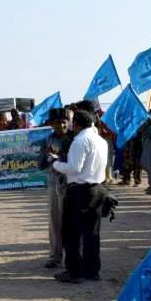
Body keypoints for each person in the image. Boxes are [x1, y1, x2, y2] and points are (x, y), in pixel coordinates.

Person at [51, 110, 109, 283]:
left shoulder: (80, 140)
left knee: (72, 233)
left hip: (79, 191)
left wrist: (56, 163)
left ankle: (74, 272)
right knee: (92, 233)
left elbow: (74, 168)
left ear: (76, 124)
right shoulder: (100, 140)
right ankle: (92, 271)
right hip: (97, 189)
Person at [41, 109, 73, 269]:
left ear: (68, 122)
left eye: (63, 122)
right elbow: (40, 164)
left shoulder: (75, 138)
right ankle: (55, 256)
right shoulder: (47, 139)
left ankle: (73, 257)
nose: (61, 125)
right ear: (51, 124)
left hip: (71, 184)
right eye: (57, 123)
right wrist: (48, 156)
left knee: (71, 221)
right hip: (54, 183)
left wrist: (61, 156)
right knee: (55, 221)